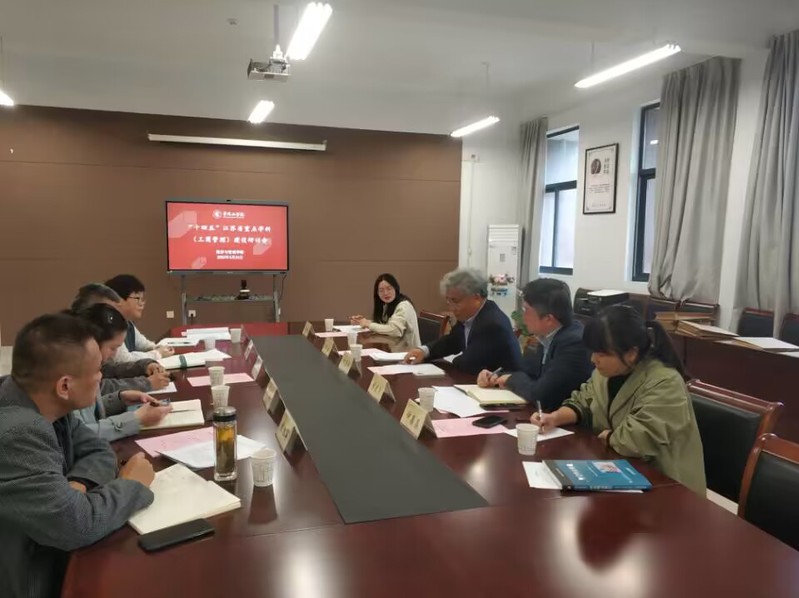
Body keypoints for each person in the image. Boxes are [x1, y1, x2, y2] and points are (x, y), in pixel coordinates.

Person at [0, 313, 156, 598]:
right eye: (97, 370)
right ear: (64, 386)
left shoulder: (42, 401)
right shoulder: (17, 432)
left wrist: (78, 484)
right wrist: (131, 484)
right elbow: (75, 525)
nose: (101, 377)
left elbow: (99, 450)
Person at [533, 305, 706, 495]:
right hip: (619, 472)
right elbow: (583, 400)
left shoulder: (665, 382)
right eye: (593, 352)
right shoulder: (606, 373)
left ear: (631, 353)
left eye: (602, 354)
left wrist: (609, 437)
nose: (593, 359)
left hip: (666, 486)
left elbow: (638, 439)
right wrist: (555, 417)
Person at [476, 279, 592, 410]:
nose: (523, 316)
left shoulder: (574, 344)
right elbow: (529, 375)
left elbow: (542, 396)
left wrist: (510, 379)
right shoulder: (547, 334)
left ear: (548, 319)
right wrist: (497, 376)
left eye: (526, 310)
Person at [73, 303, 172, 440]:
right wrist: (135, 419)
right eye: (113, 348)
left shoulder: (87, 367)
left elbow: (89, 413)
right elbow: (80, 436)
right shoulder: (71, 377)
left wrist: (120, 399)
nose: (114, 355)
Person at [404, 268, 522, 374]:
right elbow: (452, 341)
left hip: (503, 387)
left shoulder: (492, 323)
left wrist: (452, 360)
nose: (451, 308)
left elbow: (468, 363)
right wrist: (424, 351)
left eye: (455, 301)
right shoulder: (471, 316)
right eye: (448, 301)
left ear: (476, 298)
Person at [71, 283, 170, 392]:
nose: (114, 317)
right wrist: (146, 383)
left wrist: (144, 365)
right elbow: (101, 388)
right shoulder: (71, 356)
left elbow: (108, 370)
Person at [104, 274, 174, 362]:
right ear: (119, 300)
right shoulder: (108, 323)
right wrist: (157, 353)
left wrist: (159, 348)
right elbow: (124, 360)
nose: (142, 303)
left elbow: (144, 345)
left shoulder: (127, 322)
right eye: (138, 298)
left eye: (142, 299)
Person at [350, 273, 422, 349]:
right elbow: (385, 325)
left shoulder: (404, 306)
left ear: (395, 288)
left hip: (408, 354)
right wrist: (362, 322)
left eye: (389, 289)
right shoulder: (389, 305)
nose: (385, 293)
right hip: (395, 349)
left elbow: (395, 330)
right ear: (377, 293)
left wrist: (368, 324)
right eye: (381, 290)